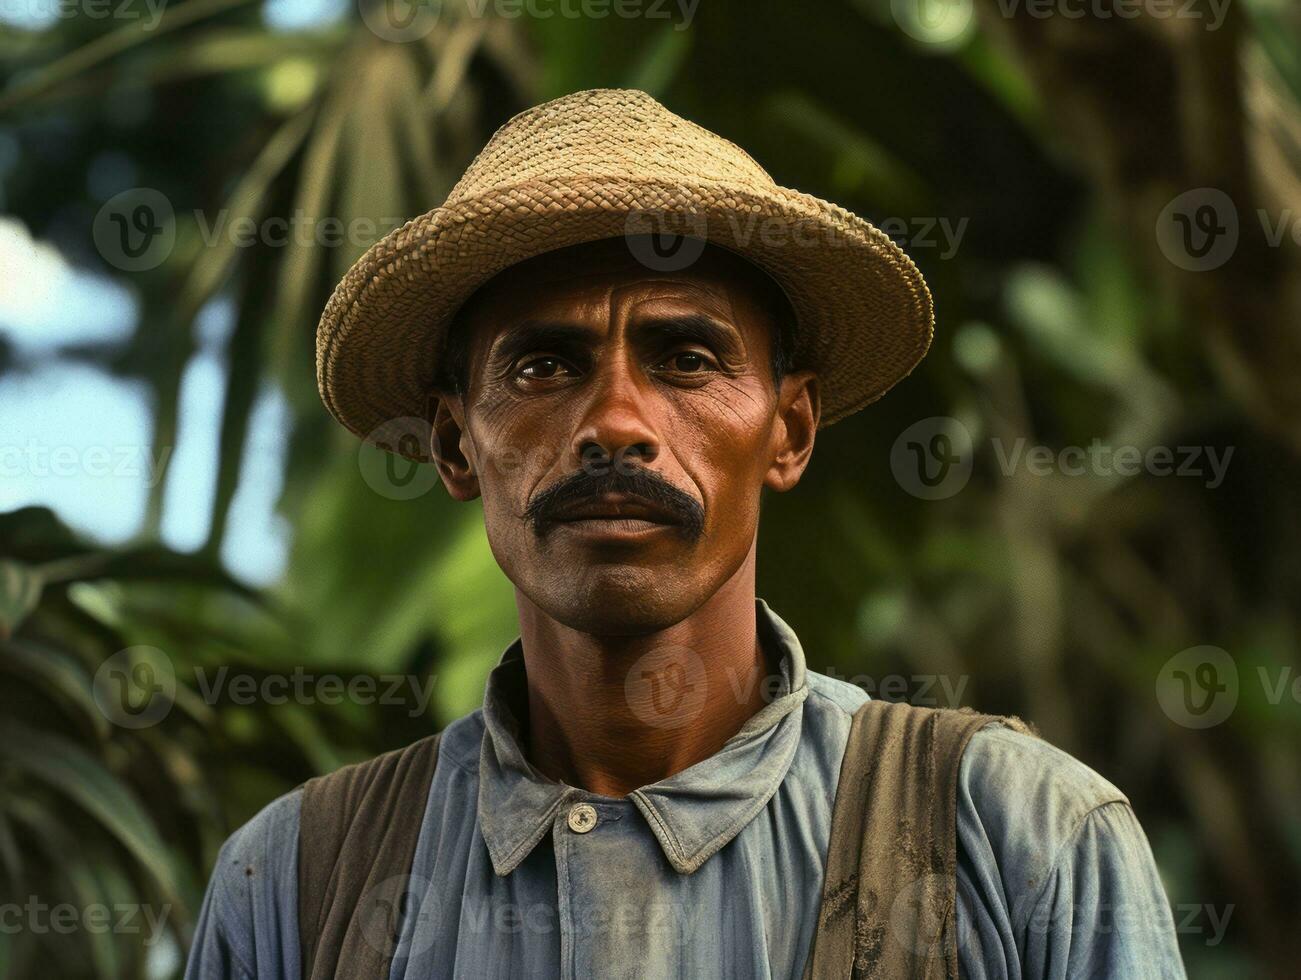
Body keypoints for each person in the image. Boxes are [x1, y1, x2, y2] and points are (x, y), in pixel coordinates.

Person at [186, 89, 1187, 979]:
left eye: (687, 358)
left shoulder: (1022, 838)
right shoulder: (291, 887)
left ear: (788, 431)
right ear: (454, 443)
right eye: (542, 367)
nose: (614, 421)